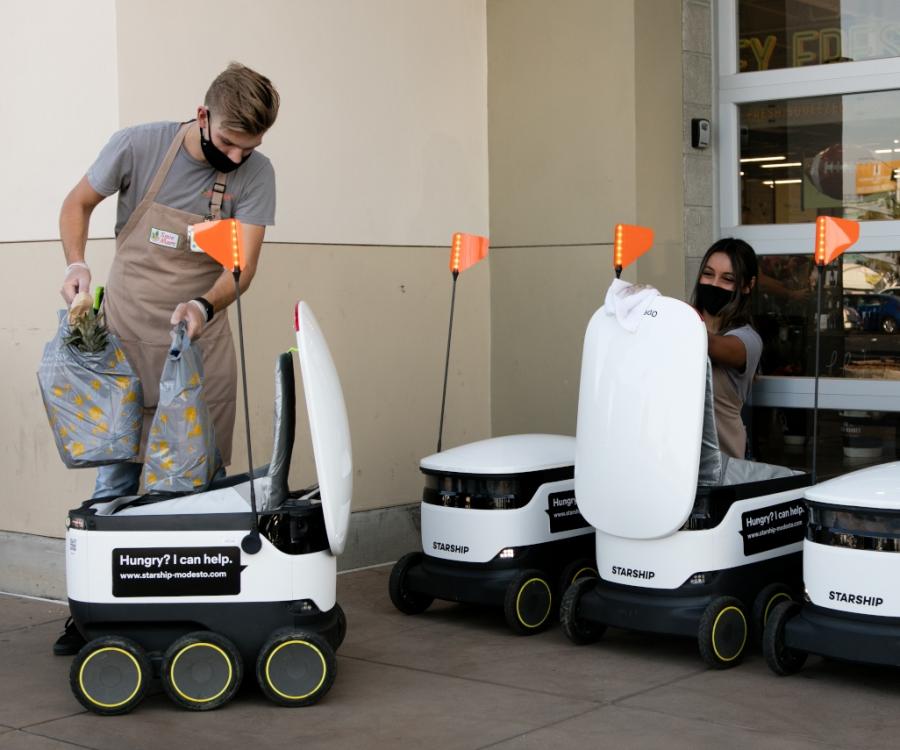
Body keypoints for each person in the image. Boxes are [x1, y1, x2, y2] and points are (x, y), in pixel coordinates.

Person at [54, 62, 280, 655]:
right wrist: (76, 263)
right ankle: (93, 616)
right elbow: (77, 204)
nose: (237, 156)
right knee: (117, 481)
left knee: (194, 488)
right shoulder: (140, 145)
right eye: (228, 141)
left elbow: (243, 269)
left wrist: (205, 305)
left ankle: (188, 617)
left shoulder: (255, 175)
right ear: (202, 115)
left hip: (197, 347)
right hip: (127, 340)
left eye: (249, 146)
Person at [690, 238, 761, 460]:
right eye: (708, 274)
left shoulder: (747, 340)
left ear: (747, 285)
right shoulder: (683, 324)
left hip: (724, 467)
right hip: (673, 462)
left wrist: (658, 312)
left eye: (727, 279)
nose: (714, 284)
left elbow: (711, 344)